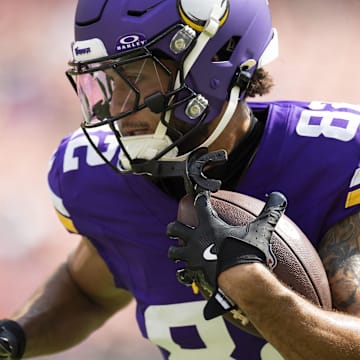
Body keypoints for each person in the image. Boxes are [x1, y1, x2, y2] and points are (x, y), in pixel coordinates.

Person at [1, 0, 360, 359]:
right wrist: (13, 338)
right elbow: (87, 291)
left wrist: (255, 290)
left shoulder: (334, 161)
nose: (116, 107)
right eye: (108, 82)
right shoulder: (100, 178)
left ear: (213, 64)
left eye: (136, 77)